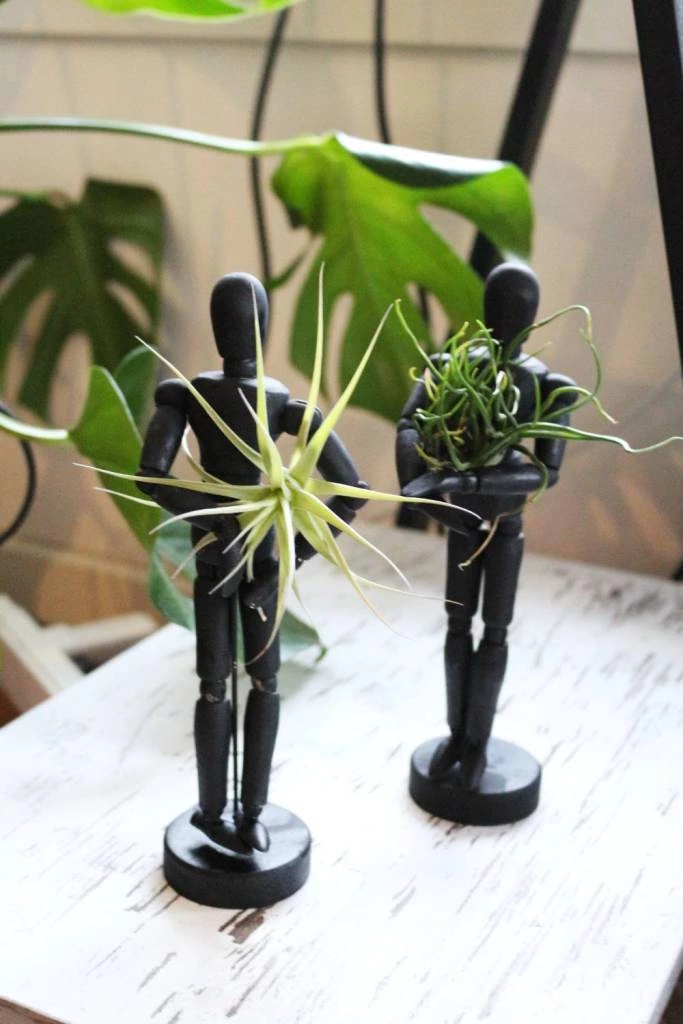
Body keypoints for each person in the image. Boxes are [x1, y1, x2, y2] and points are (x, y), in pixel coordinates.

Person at [138, 273, 366, 853]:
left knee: (260, 684)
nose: (239, 329)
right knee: (216, 686)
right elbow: (150, 476)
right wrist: (218, 518)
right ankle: (212, 811)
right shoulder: (192, 396)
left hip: (259, 564)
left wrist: (291, 562)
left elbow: (352, 492)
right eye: (233, 318)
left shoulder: (280, 403)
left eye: (243, 318)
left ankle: (251, 812)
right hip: (220, 562)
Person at [396, 263, 576, 794]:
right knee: (457, 626)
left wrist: (471, 479)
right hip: (462, 522)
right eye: (500, 308)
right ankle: (457, 737)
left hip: (505, 525)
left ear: (533, 317)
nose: (508, 320)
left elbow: (547, 471)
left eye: (517, 311)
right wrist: (418, 483)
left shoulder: (546, 385)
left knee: (495, 630)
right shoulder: (453, 367)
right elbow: (410, 423)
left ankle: (478, 741)